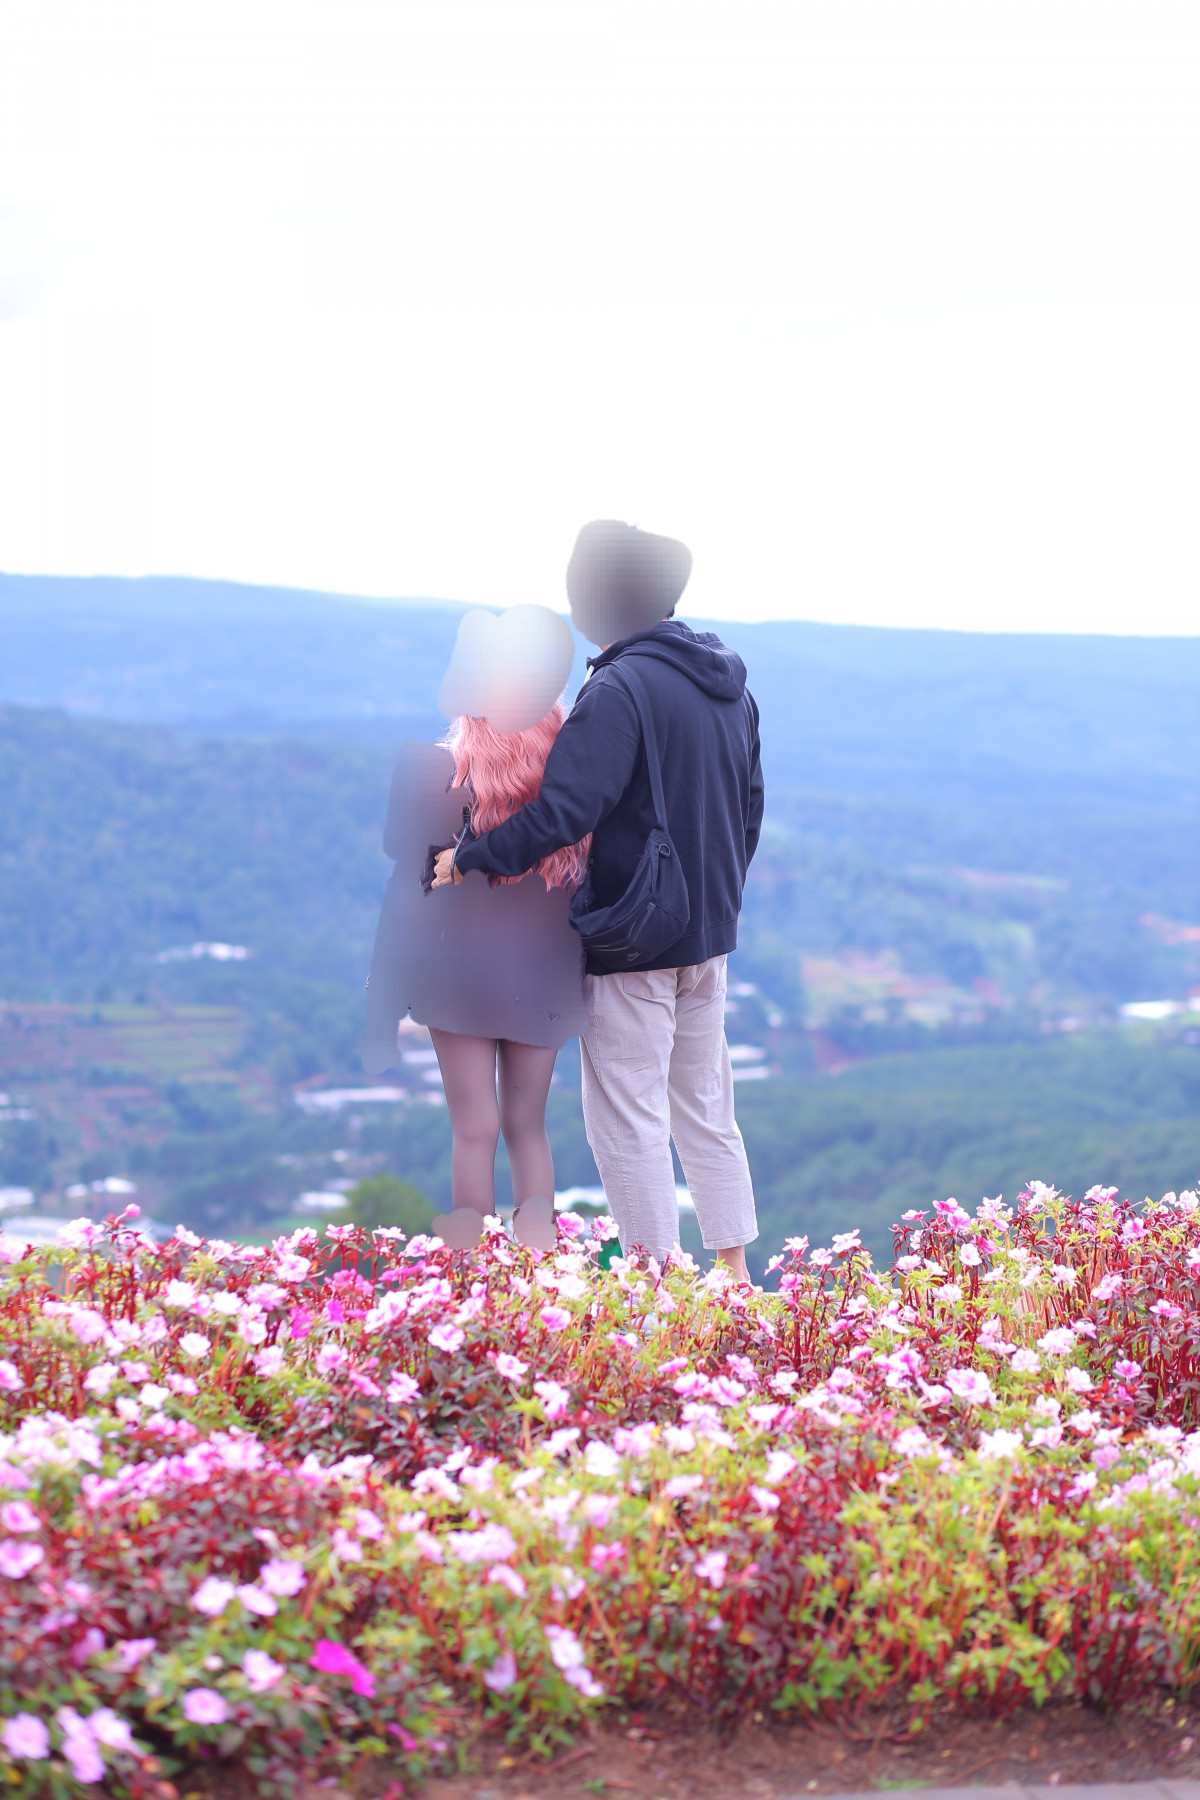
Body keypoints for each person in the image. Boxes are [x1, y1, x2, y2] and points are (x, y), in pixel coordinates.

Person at [434, 520, 763, 1281]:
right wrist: (715, 900)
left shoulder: (617, 688)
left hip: (633, 938)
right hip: (707, 934)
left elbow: (562, 814)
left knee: (627, 1117)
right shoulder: (728, 685)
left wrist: (470, 858)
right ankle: (735, 1270)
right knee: (707, 1109)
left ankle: (656, 1286)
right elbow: (748, 807)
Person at [359, 604, 589, 1251]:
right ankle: (540, 1269)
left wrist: (383, 1000)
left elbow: (406, 895)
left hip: (454, 978)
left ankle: (472, 1276)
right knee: (528, 1128)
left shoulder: (435, 773)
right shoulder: (569, 786)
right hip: (545, 977)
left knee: (473, 1128)